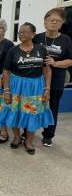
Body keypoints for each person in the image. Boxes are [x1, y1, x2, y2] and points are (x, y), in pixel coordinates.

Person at [0, 23, 54, 155]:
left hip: (36, 87)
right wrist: (6, 91)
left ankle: (28, 141)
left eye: (25, 32)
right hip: (17, 86)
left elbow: (47, 71)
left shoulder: (41, 49)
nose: (21, 34)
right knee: (15, 112)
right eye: (20, 32)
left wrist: (47, 89)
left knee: (32, 113)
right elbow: (6, 72)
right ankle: (17, 137)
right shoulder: (13, 50)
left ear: (33, 34)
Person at [33, 8, 72, 147]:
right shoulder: (37, 38)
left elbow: (70, 60)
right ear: (45, 22)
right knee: (32, 105)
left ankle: (48, 135)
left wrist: (56, 63)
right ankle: (29, 130)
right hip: (36, 79)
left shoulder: (66, 40)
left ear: (62, 24)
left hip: (56, 79)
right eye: (51, 20)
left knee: (52, 107)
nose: (54, 23)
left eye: (58, 21)